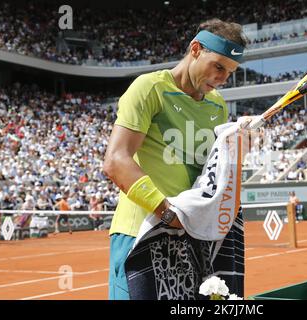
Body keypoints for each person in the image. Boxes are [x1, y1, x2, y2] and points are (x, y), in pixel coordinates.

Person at [103, 18, 249, 300]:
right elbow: (116, 160)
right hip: (141, 231)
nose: (222, 78)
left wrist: (239, 145)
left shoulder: (217, 105)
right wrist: (168, 214)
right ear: (195, 49)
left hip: (191, 234)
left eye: (230, 72)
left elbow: (210, 171)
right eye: (218, 66)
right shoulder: (149, 88)